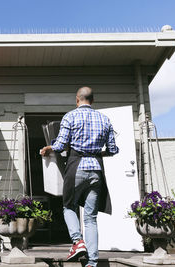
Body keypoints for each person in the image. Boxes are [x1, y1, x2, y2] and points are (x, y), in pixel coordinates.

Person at [40, 86, 119, 267]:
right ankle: (92, 261)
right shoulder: (105, 119)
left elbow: (60, 146)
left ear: (77, 99)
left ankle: (77, 241)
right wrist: (97, 153)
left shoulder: (70, 116)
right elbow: (113, 150)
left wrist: (48, 148)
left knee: (69, 207)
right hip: (96, 170)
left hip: (77, 167)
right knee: (90, 217)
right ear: (93, 100)